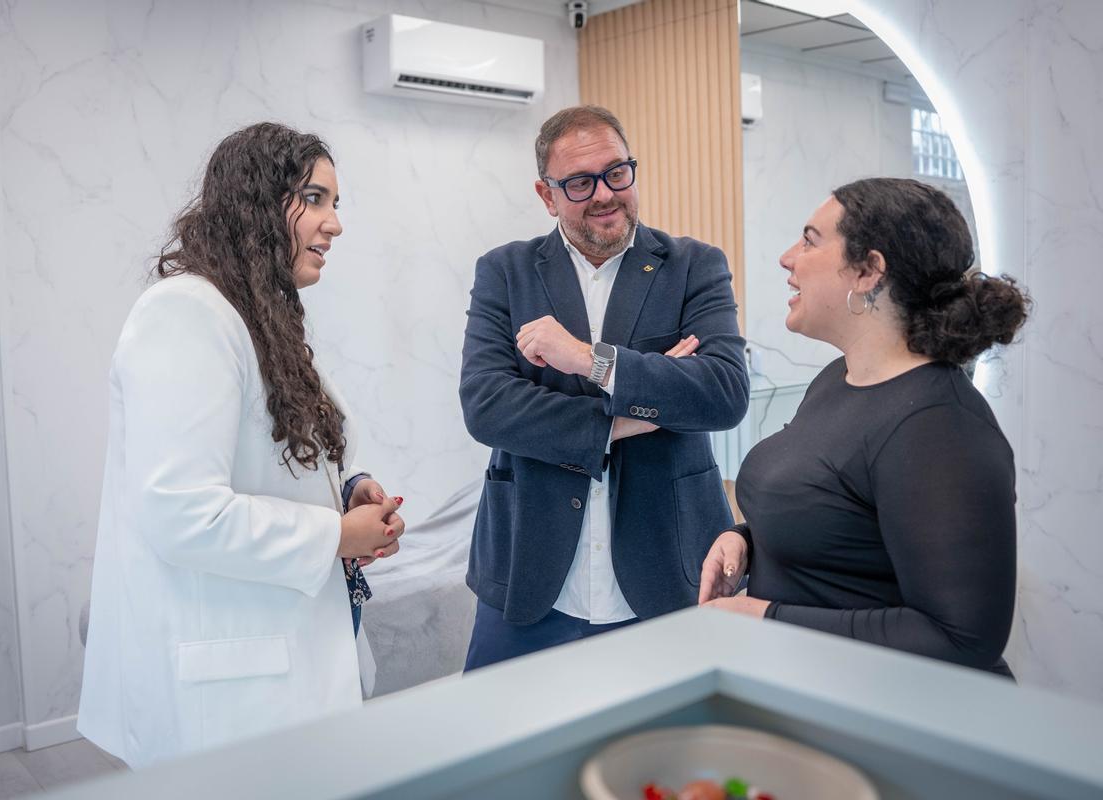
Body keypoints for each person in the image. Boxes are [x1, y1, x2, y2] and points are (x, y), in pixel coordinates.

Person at [78, 123, 406, 767]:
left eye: (335, 204)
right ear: (256, 204)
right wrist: (337, 536)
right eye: (314, 199)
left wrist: (347, 489)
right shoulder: (185, 314)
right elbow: (181, 512)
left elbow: (270, 456)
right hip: (226, 695)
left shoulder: (259, 317)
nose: (334, 223)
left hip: (283, 667)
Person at [698, 177, 1029, 676]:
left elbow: (962, 639)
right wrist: (747, 541)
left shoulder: (938, 427)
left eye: (810, 240)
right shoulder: (838, 379)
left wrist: (764, 617)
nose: (788, 258)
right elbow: (840, 521)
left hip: (892, 723)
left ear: (869, 271)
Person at [459, 105, 749, 670]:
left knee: (665, 755)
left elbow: (722, 392)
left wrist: (587, 361)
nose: (605, 194)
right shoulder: (505, 272)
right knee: (505, 743)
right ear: (547, 195)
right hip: (531, 571)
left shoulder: (693, 266)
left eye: (617, 172)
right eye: (579, 182)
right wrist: (626, 419)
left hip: (667, 568)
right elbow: (487, 405)